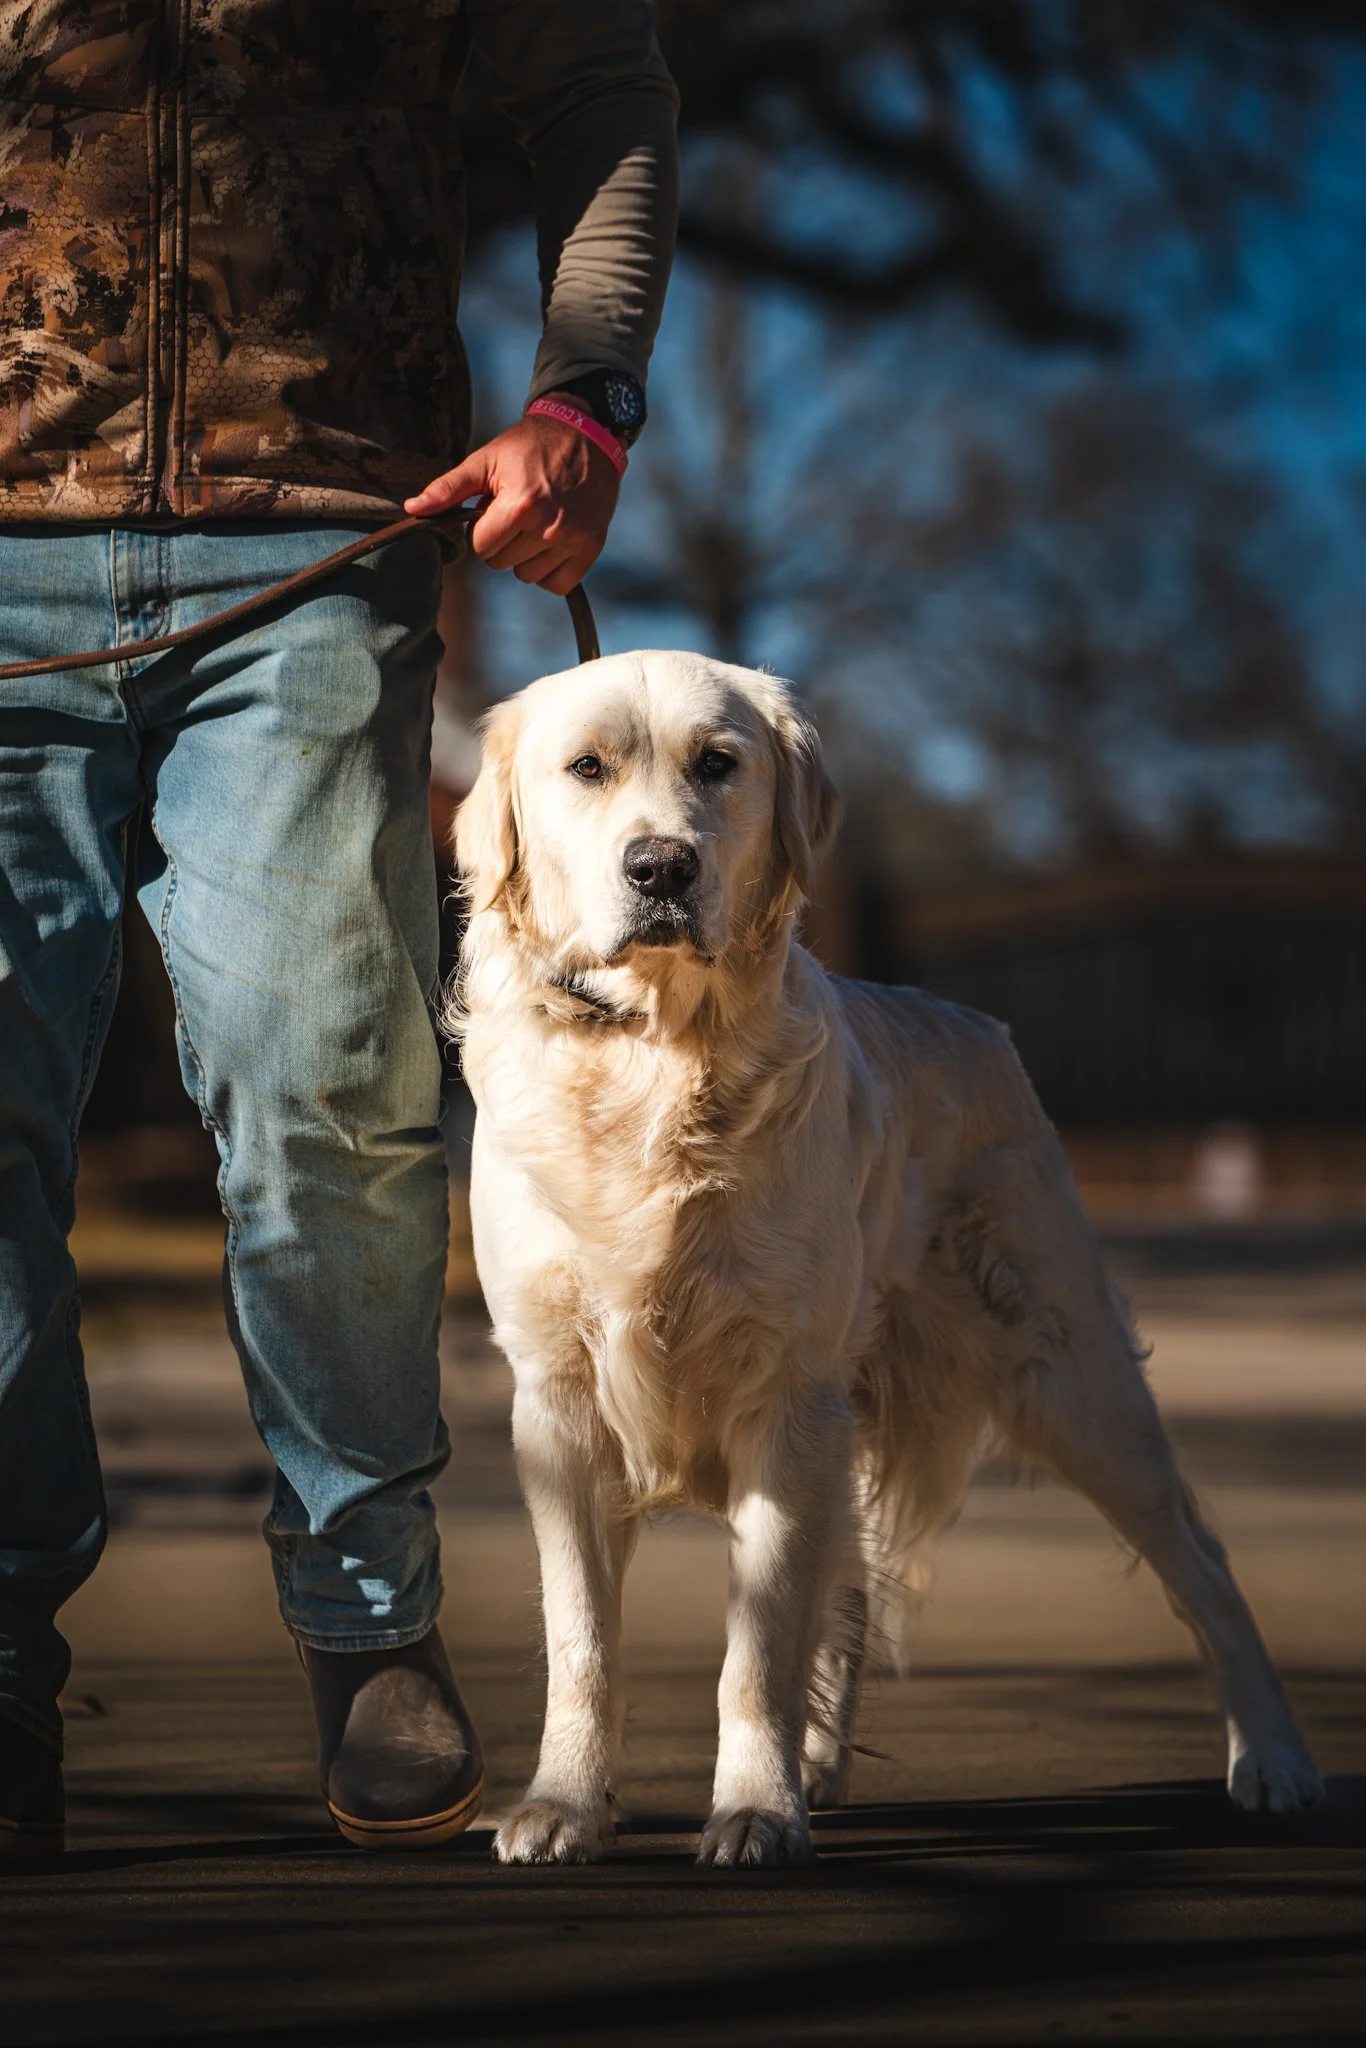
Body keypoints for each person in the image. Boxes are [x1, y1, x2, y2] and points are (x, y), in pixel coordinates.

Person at [0, 0, 677, 1854]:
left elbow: (600, 83)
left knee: (326, 1074)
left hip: (311, 531)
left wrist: (581, 395)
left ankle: (367, 1619)